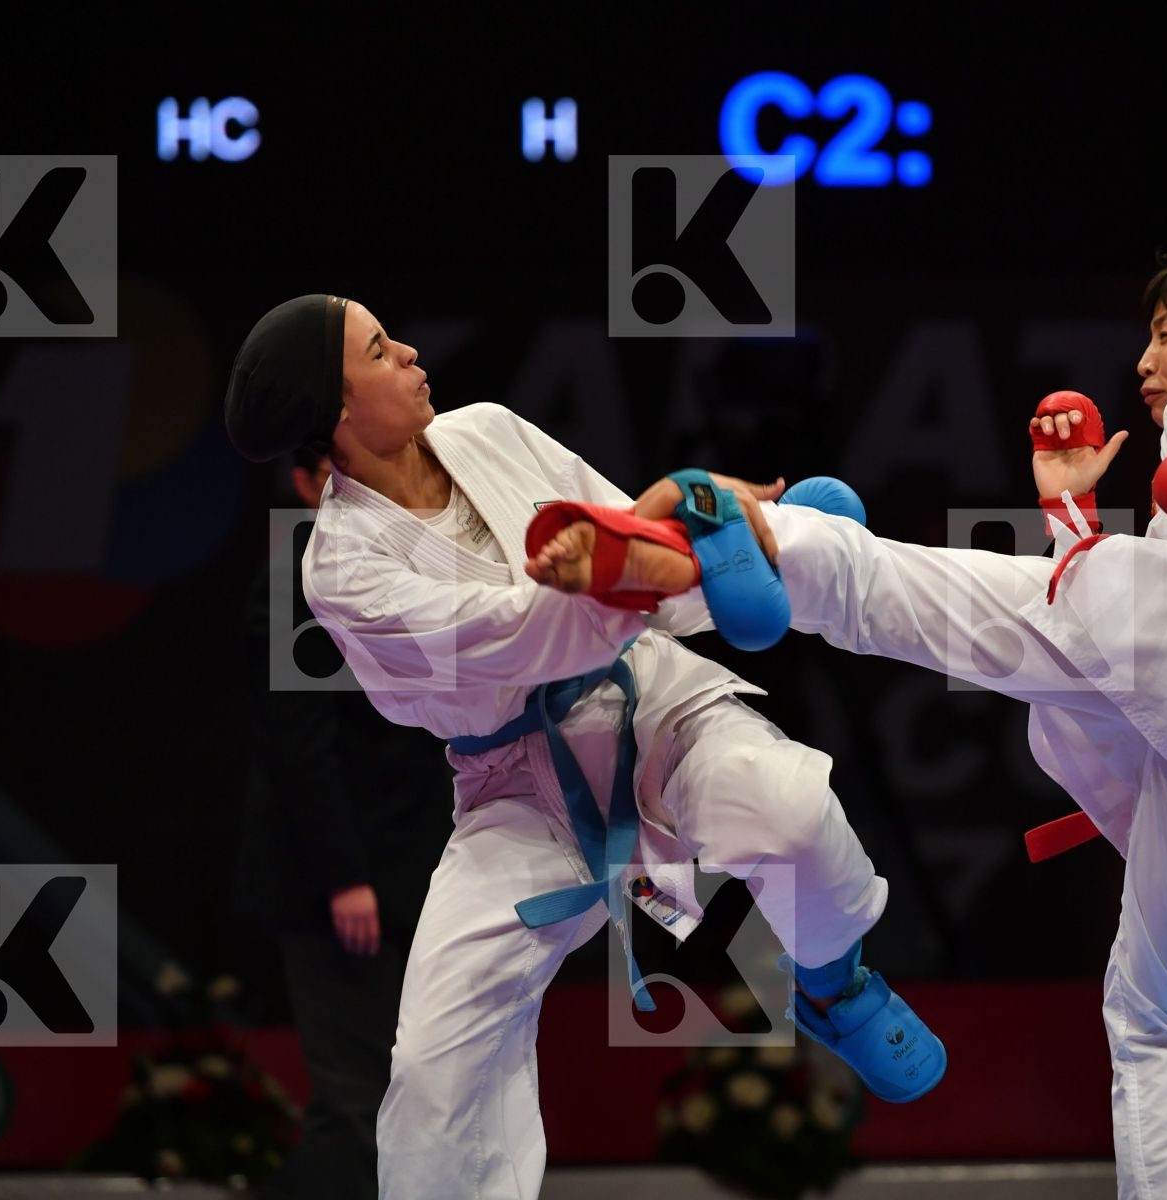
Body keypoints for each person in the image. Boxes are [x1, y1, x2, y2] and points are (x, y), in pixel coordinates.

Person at [528, 230, 1167, 1198]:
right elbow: (1149, 606)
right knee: (1151, 1009)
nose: (1146, 361)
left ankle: (752, 541)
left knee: (928, 595)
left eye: (1166, 333)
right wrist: (1075, 514)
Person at [222, 294, 946, 1200]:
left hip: (655, 704)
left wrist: (733, 553)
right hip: (519, 787)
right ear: (334, 413)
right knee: (435, 1064)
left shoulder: (484, 429)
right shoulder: (343, 566)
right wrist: (646, 554)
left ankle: (837, 987)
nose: (409, 350)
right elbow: (521, 635)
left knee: (792, 812)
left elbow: (622, 532)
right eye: (378, 349)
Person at [235, 444, 454, 1200]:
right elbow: (299, 744)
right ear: (301, 483)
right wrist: (345, 878)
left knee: (417, 1099)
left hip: (410, 875)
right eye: (333, 476)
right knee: (358, 1104)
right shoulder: (295, 572)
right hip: (340, 891)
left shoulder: (404, 563)